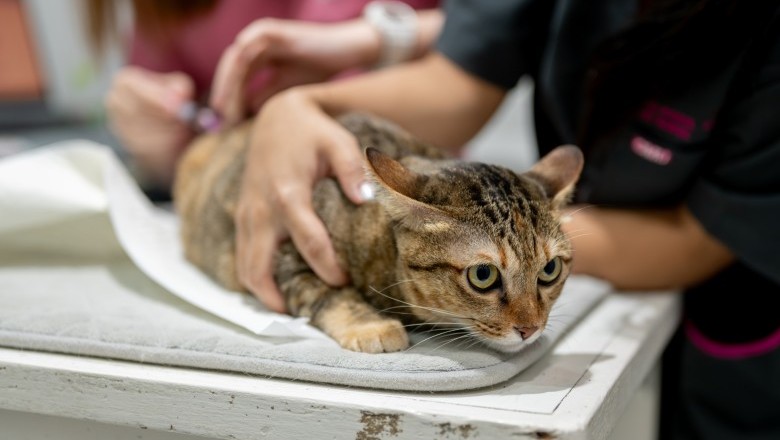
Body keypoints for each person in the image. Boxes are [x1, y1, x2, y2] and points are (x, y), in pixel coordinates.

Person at [210, 0, 780, 438]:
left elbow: (699, 241)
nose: (531, 323)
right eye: (488, 279)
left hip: (742, 308)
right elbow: (460, 80)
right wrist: (301, 105)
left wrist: (518, 253)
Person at [86, 0, 442, 193]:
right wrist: (160, 145)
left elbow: (482, 45)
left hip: (419, 182)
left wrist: (374, 41)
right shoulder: (165, 15)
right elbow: (173, 117)